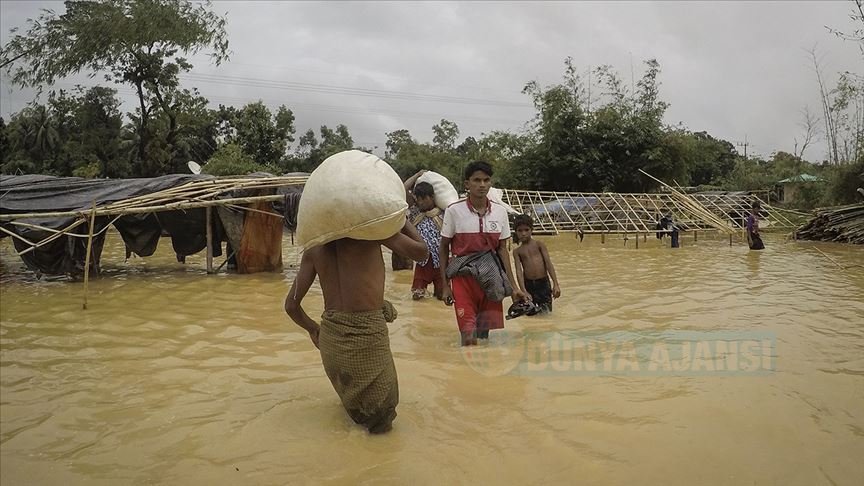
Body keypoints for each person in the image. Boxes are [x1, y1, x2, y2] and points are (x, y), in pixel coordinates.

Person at [284, 219, 428, 434]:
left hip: (332, 344)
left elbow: (291, 306)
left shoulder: (314, 249)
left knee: (356, 419)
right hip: (368, 340)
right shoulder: (374, 234)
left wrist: (313, 330)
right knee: (381, 421)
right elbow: (422, 252)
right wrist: (400, 217)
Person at [440, 161, 528, 346]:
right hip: (463, 278)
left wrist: (513, 288)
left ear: (490, 183)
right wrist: (445, 285)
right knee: (468, 338)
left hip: (491, 277)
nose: (482, 185)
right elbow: (443, 247)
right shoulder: (453, 211)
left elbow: (503, 251)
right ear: (467, 184)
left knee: (483, 337)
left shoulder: (500, 212)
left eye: (486, 180)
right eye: (476, 180)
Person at [512, 214, 561, 313]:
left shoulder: (539, 245)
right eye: (520, 231)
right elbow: (519, 271)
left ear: (531, 230)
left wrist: (556, 284)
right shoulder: (517, 251)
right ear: (516, 232)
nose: (523, 233)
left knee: (546, 311)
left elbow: (548, 264)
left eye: (526, 230)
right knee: (530, 311)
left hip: (543, 283)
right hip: (528, 284)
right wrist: (523, 290)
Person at [405, 180, 445, 300]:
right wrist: (417, 175)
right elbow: (403, 188)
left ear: (432, 197)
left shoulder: (444, 213)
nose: (420, 202)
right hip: (423, 262)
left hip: (441, 263)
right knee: (417, 296)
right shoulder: (415, 213)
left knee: (442, 298)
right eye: (418, 199)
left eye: (424, 198)